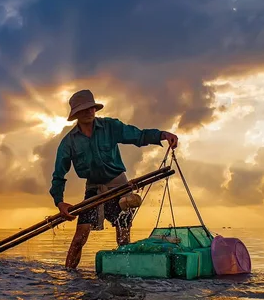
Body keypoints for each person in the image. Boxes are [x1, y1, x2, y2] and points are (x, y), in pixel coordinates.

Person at [50, 89, 178, 269]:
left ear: (95, 109)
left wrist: (163, 135)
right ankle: (69, 276)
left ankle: (125, 276)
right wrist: (60, 202)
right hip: (93, 190)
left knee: (123, 239)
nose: (88, 112)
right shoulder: (69, 142)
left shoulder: (110, 127)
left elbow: (138, 135)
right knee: (80, 237)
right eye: (83, 109)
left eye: (91, 108)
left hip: (119, 186)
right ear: (76, 114)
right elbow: (58, 175)